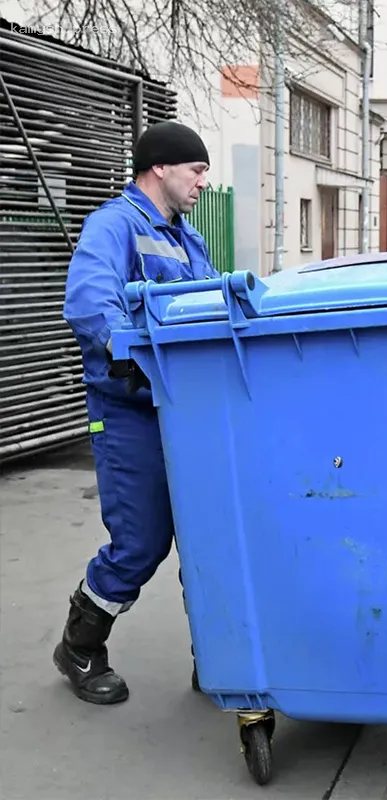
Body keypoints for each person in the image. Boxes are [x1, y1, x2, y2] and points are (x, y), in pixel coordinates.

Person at [55, 121, 219, 705]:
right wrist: (127, 356)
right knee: (141, 542)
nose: (204, 181)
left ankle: (223, 657)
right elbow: (89, 302)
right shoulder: (114, 225)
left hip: (185, 408)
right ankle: (79, 647)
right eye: (196, 170)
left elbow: (209, 305)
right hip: (128, 413)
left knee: (209, 534)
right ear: (160, 168)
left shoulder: (185, 238)